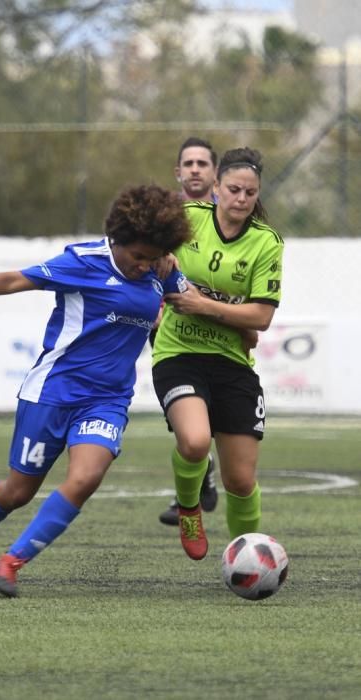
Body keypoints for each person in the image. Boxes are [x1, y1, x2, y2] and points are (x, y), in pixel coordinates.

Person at [0, 184, 191, 598]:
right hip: (52, 391)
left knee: (85, 478)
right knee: (18, 491)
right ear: (117, 240)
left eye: (153, 258)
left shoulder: (162, 269)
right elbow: (14, 280)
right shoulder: (83, 261)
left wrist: (238, 323)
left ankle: (10, 563)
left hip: (108, 400)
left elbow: (192, 301)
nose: (144, 266)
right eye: (138, 257)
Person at [152, 147, 284, 561]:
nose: (241, 199)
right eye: (233, 190)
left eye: (250, 192)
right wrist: (161, 258)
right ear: (216, 188)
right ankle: (189, 507)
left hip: (232, 363)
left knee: (241, 480)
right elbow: (143, 253)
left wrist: (206, 305)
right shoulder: (187, 220)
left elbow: (261, 316)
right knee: (194, 442)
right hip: (179, 352)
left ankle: (247, 557)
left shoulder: (267, 242)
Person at [156, 136, 220, 526]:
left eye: (202, 163)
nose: (195, 169)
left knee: (215, 418)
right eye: (188, 163)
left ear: (215, 174)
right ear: (177, 172)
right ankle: (195, 488)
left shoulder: (231, 216)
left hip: (218, 334)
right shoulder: (162, 219)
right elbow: (144, 266)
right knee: (185, 423)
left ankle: (204, 481)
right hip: (169, 331)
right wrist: (155, 309)